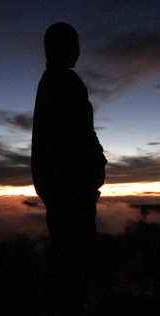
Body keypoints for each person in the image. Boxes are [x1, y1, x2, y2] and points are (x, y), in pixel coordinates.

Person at [31, 22, 107, 290]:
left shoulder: (49, 82)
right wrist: (95, 166)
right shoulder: (65, 82)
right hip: (71, 189)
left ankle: (60, 310)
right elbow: (81, 133)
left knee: (63, 250)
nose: (78, 51)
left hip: (58, 188)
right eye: (74, 44)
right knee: (77, 257)